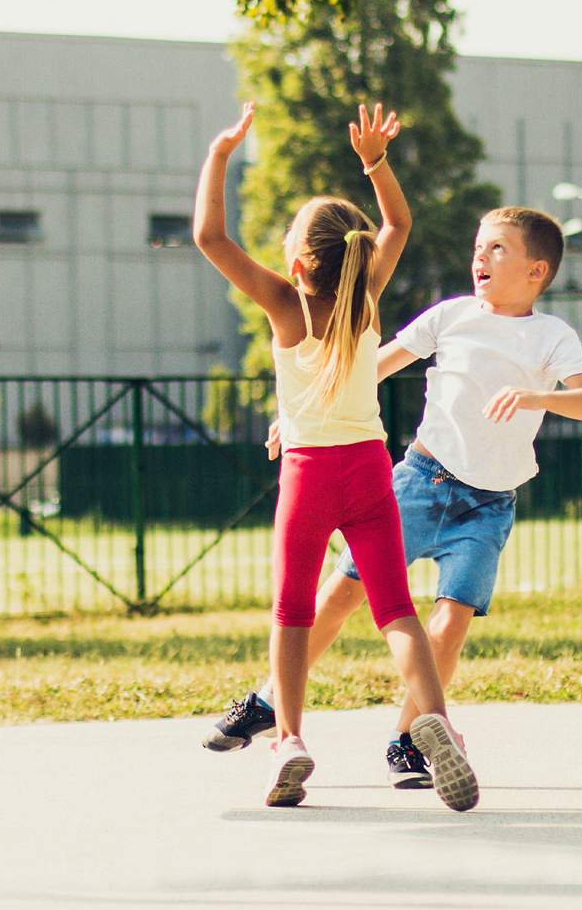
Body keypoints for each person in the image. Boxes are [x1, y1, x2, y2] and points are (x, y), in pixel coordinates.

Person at [204, 206, 582, 788]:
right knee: (344, 595)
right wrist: (298, 411)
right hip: (423, 481)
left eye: (497, 248)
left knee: (450, 620)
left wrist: (538, 397)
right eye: (478, 246)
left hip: (489, 504)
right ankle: (270, 699)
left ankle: (410, 738)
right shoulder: (450, 316)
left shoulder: (552, 337)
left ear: (537, 270)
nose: (480, 257)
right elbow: (368, 365)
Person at [193, 101, 477, 811]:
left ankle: (289, 739)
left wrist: (221, 155)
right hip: (369, 470)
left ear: (297, 261)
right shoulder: (365, 299)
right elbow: (399, 225)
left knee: (292, 613)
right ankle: (433, 720)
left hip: (310, 475)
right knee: (397, 612)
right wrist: (375, 162)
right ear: (352, 254)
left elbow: (208, 235)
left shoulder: (285, 304)